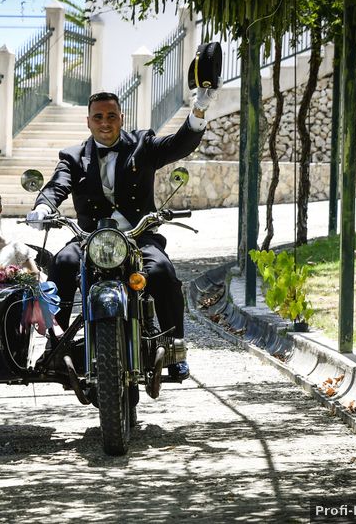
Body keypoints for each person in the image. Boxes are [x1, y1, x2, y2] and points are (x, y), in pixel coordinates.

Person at [24, 87, 219, 381]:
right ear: (88, 121)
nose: (105, 122)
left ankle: (175, 347)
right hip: (90, 238)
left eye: (111, 116)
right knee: (62, 263)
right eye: (98, 117)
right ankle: (56, 344)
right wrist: (43, 206)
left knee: (163, 272)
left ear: (121, 118)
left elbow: (179, 145)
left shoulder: (143, 144)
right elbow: (57, 184)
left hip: (138, 237)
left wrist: (198, 111)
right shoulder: (73, 156)